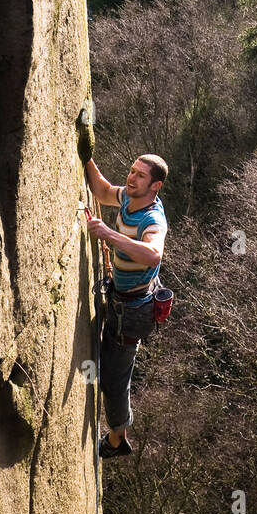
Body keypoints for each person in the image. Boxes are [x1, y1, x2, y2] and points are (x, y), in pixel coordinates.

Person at [83, 153, 169, 458]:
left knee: (113, 379)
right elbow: (104, 191)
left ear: (155, 185)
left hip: (133, 311)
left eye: (140, 176)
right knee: (109, 369)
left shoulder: (152, 219)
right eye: (132, 172)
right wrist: (86, 153)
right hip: (123, 297)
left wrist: (109, 234)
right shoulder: (127, 198)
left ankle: (117, 439)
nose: (132, 178)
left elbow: (153, 254)